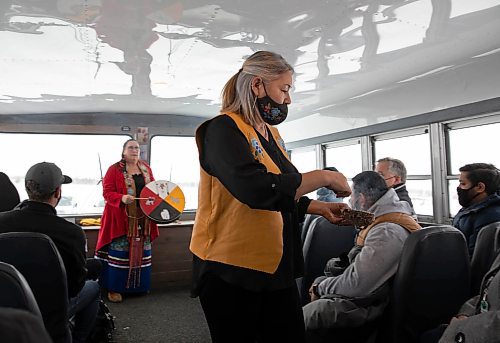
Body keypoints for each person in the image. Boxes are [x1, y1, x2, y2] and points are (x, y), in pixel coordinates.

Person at [189, 50, 351, 343]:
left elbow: (282, 189)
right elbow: (257, 189)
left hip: (275, 264)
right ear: (257, 86)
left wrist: (318, 207)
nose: (288, 99)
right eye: (284, 89)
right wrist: (324, 176)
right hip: (232, 267)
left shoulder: (270, 135)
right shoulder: (222, 129)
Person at [303, 171, 421, 342]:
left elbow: (357, 285)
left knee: (304, 317)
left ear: (362, 199)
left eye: (352, 198)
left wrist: (320, 287)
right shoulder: (393, 216)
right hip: (374, 294)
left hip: (372, 307)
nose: (350, 202)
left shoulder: (386, 231)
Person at [0, 162, 100, 343]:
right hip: (53, 314)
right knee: (93, 287)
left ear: (27, 189)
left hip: (7, 307)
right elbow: (75, 286)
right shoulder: (72, 233)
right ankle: (79, 338)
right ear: (58, 192)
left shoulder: (2, 221)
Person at [95, 139, 159, 303]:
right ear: (123, 151)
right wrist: (122, 197)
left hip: (143, 219)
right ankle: (114, 289)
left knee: (143, 253)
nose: (134, 150)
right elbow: (107, 193)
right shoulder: (114, 169)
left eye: (137, 148)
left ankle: (139, 287)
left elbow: (153, 189)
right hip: (120, 218)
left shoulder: (146, 168)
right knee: (120, 254)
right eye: (130, 147)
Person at [420, 249, 500, 343]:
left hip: (482, 332)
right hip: (478, 321)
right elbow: (488, 290)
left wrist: (461, 329)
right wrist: (466, 313)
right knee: (428, 335)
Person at [452, 163, 500, 257]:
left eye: (463, 183)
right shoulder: (470, 209)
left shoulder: (490, 217)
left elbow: (473, 258)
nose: (459, 187)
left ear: (480, 187)